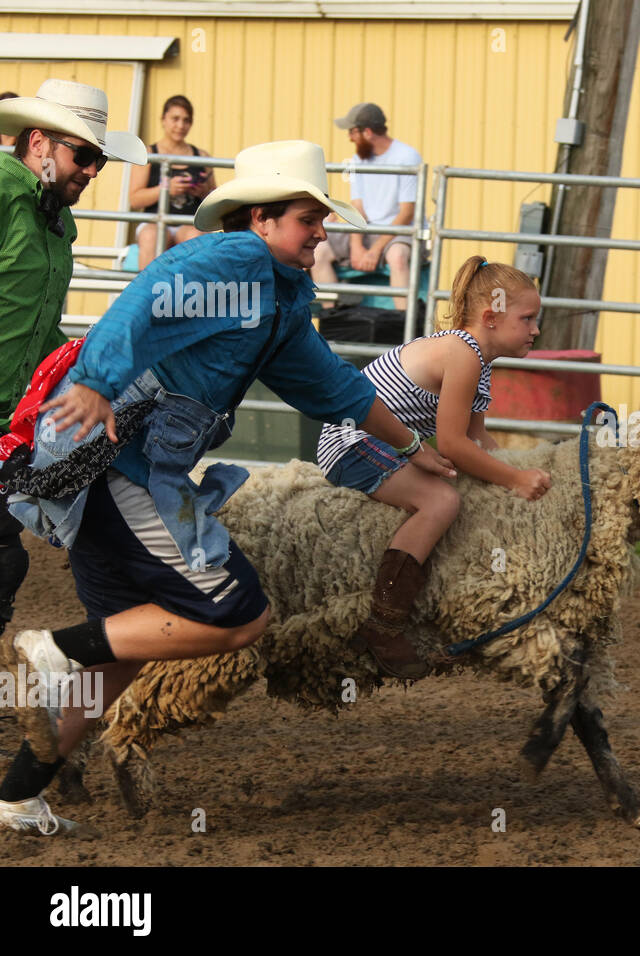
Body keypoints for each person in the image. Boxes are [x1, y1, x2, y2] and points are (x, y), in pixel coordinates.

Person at [0, 140, 457, 836]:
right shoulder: (233, 260)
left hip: (120, 466)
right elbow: (149, 295)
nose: (322, 233)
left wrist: (413, 444)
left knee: (126, 650)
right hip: (117, 461)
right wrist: (95, 380)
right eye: (310, 218)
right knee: (237, 614)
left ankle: (17, 794)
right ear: (263, 219)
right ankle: (55, 649)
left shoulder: (276, 299)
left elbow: (332, 387)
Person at [317, 255, 551, 678]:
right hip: (352, 441)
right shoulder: (462, 354)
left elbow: (479, 441)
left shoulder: (477, 362)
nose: (536, 329)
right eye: (528, 318)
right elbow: (452, 444)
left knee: (467, 488)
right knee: (441, 501)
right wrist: (515, 479)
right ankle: (383, 624)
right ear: (491, 317)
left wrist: (528, 470)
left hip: (389, 445)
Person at [0, 80, 145, 642]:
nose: (90, 170)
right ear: (38, 144)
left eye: (99, 160)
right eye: (81, 154)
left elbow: (36, 330)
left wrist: (89, 377)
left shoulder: (57, 224)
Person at [312, 103, 421, 311]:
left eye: (352, 132)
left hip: (399, 231)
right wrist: (357, 247)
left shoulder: (407, 157)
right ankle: (333, 316)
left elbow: (407, 212)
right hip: (366, 228)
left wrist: (374, 251)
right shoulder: (358, 160)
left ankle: (404, 324)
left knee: (397, 257)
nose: (350, 138)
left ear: (368, 132)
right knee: (319, 252)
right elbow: (357, 208)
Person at [128, 94, 216, 268]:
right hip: (154, 220)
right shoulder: (149, 153)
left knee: (197, 238)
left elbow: (216, 199)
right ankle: (148, 293)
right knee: (152, 236)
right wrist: (166, 189)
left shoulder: (202, 156)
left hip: (190, 222)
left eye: (186, 120)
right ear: (163, 120)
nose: (180, 126)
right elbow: (135, 199)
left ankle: (191, 294)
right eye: (175, 119)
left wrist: (203, 191)